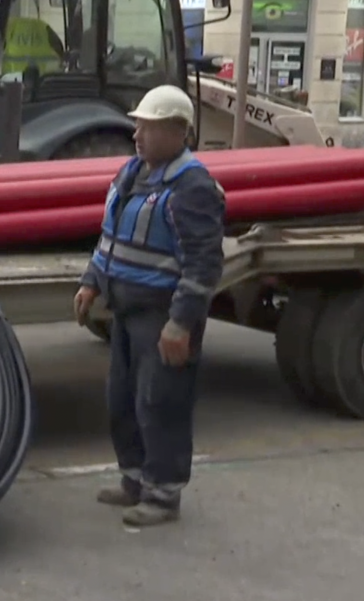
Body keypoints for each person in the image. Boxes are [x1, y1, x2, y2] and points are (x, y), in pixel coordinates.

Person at [72, 84, 225, 528]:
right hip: (125, 310)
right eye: (137, 125)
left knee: (161, 403)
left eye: (148, 127)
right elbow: (111, 236)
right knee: (121, 400)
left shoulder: (193, 187)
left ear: (178, 132)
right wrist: (91, 281)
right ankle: (133, 479)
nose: (137, 135)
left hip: (162, 316)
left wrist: (180, 324)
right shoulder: (133, 173)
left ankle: (163, 493)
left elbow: (203, 264)